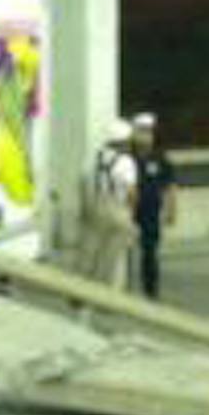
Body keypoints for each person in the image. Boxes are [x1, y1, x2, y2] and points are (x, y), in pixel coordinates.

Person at [78, 117, 138, 289]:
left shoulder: (94, 157)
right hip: (117, 208)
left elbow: (83, 182)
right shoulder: (126, 161)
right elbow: (132, 192)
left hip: (95, 204)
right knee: (111, 256)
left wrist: (85, 209)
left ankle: (78, 291)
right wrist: (131, 215)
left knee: (87, 252)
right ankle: (104, 294)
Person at [128, 112, 178, 299]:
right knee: (123, 252)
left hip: (150, 211)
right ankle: (120, 289)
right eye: (141, 131)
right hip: (129, 210)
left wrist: (171, 209)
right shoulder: (127, 157)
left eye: (148, 132)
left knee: (149, 252)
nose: (145, 136)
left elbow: (170, 185)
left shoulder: (159, 157)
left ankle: (151, 291)